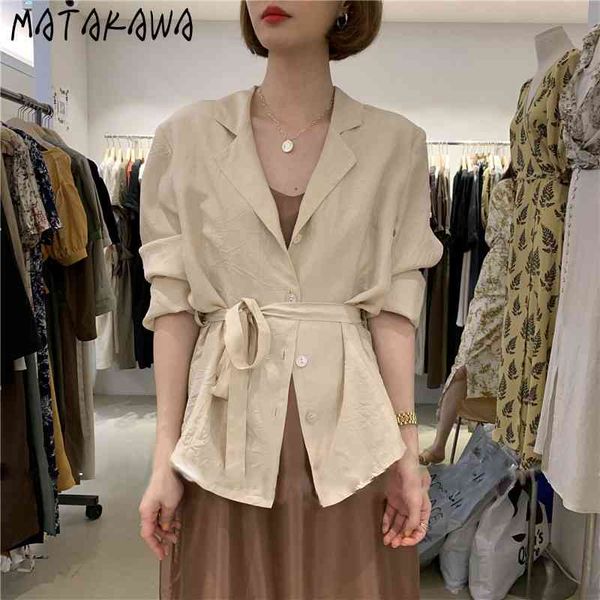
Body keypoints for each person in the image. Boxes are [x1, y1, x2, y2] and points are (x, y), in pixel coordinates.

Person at [138, 2, 443, 598]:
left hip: (352, 445)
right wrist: (163, 456)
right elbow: (172, 307)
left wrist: (408, 452)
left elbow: (394, 312)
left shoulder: (395, 144)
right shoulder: (186, 137)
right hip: (224, 441)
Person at [420, 163, 516, 466]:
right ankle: (439, 444)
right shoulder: (505, 189)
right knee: (465, 362)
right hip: (497, 283)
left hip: (532, 288)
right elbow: (508, 235)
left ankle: (508, 451)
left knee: (517, 367)